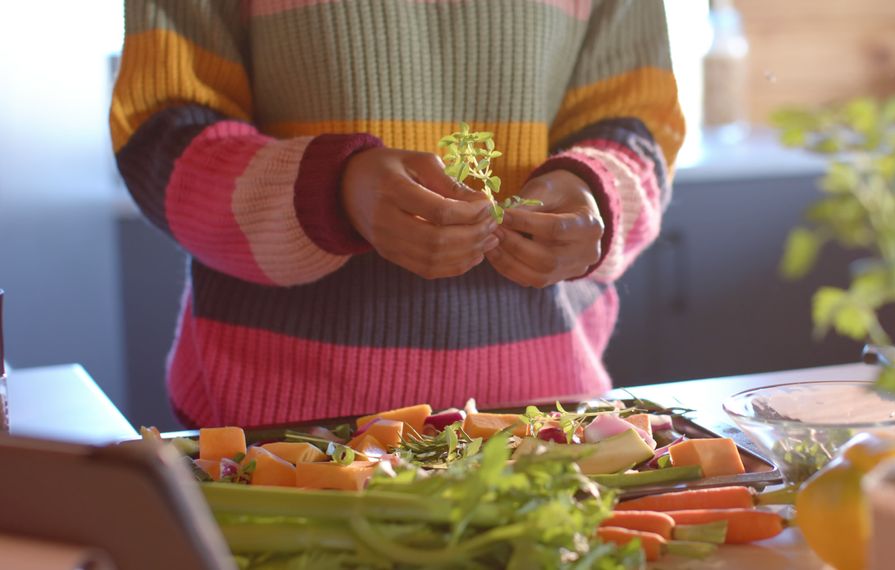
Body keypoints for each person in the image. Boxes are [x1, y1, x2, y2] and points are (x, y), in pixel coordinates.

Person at [110, 0, 684, 428]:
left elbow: (637, 125)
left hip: (546, 419)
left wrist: (597, 194)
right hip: (273, 433)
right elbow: (163, 135)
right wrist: (330, 191)